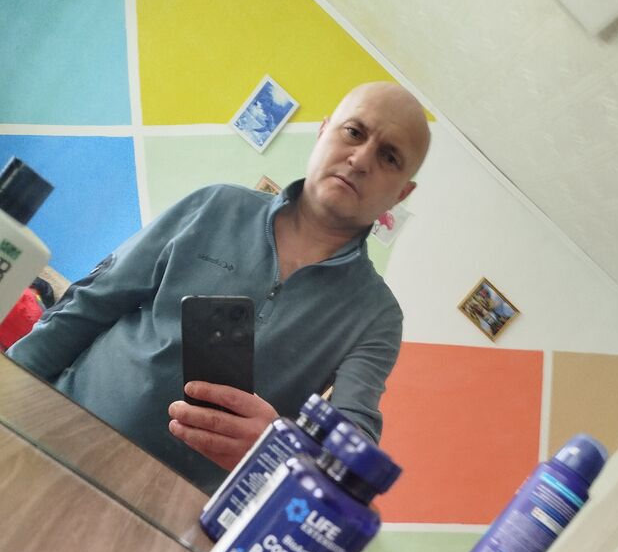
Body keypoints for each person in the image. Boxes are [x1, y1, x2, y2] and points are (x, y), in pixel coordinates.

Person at [8, 82, 430, 493]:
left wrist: (280, 449)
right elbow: (90, 303)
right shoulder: (216, 205)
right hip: (55, 431)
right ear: (323, 131)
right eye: (353, 132)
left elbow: (353, 444)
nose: (360, 159)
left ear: (402, 193)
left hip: (169, 511)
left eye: (389, 156)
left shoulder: (376, 315)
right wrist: (10, 389)